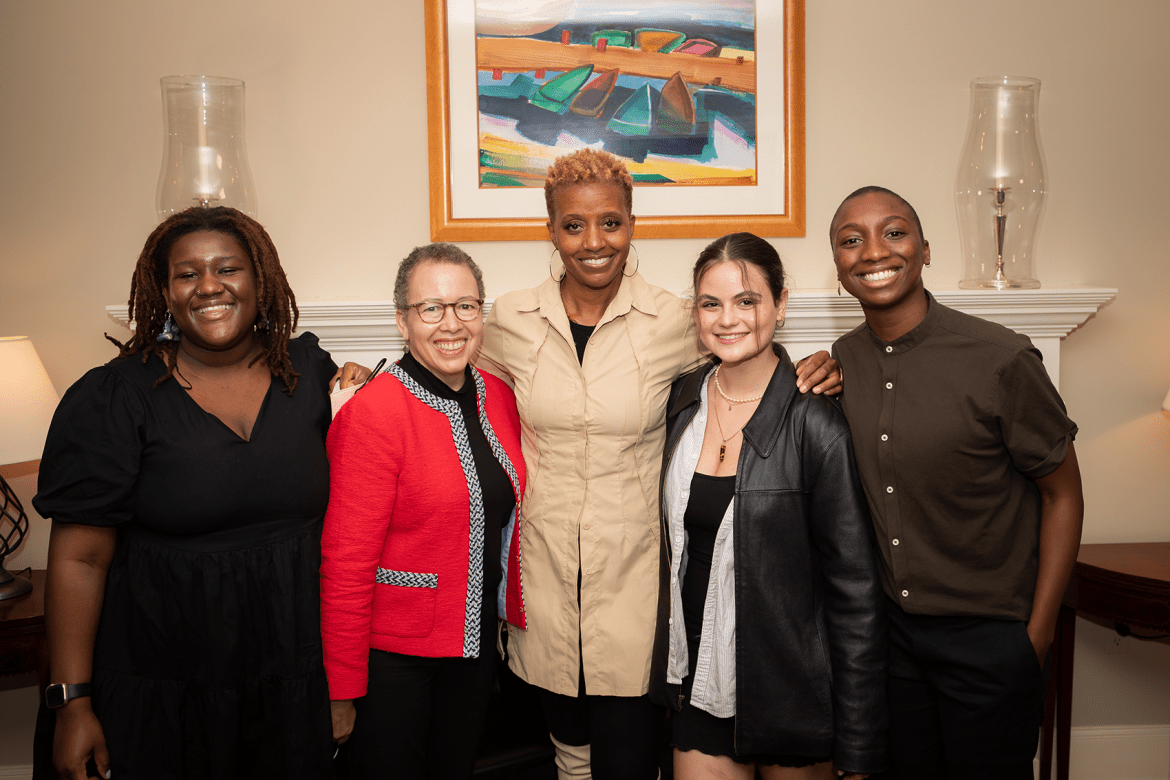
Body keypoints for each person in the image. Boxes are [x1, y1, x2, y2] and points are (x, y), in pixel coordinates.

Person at [478, 149, 841, 780]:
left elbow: (746, 345)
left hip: (636, 588)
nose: (594, 242)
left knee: (627, 761)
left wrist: (821, 366)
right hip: (545, 580)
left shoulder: (676, 320)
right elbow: (443, 362)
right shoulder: (508, 319)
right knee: (566, 757)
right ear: (551, 232)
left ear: (632, 224)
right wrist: (361, 378)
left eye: (611, 222)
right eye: (573, 225)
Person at [32, 206, 368, 780]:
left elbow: (360, 510)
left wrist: (365, 398)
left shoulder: (309, 373)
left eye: (228, 269)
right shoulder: (114, 397)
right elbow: (79, 560)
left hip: (289, 677)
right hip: (160, 682)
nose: (209, 285)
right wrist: (74, 703)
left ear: (261, 280)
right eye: (187, 274)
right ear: (163, 290)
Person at [828, 186, 1084, 780]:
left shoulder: (1000, 358)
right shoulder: (845, 357)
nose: (873, 251)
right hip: (895, 643)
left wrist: (1037, 636)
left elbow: (1062, 492)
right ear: (839, 268)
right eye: (851, 239)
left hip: (993, 640)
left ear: (923, 249)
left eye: (893, 232)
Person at [649, 232, 885, 780]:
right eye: (712, 303)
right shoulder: (682, 401)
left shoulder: (816, 421)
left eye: (747, 300)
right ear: (696, 314)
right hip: (701, 684)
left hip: (791, 693)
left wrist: (859, 742)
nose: (728, 319)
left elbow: (854, 594)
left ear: (780, 305)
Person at [320, 243, 527, 778]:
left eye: (465, 306)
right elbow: (344, 564)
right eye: (430, 308)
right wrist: (341, 690)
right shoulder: (372, 413)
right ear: (402, 321)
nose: (450, 323)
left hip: (476, 647)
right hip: (394, 662)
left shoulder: (497, 396)